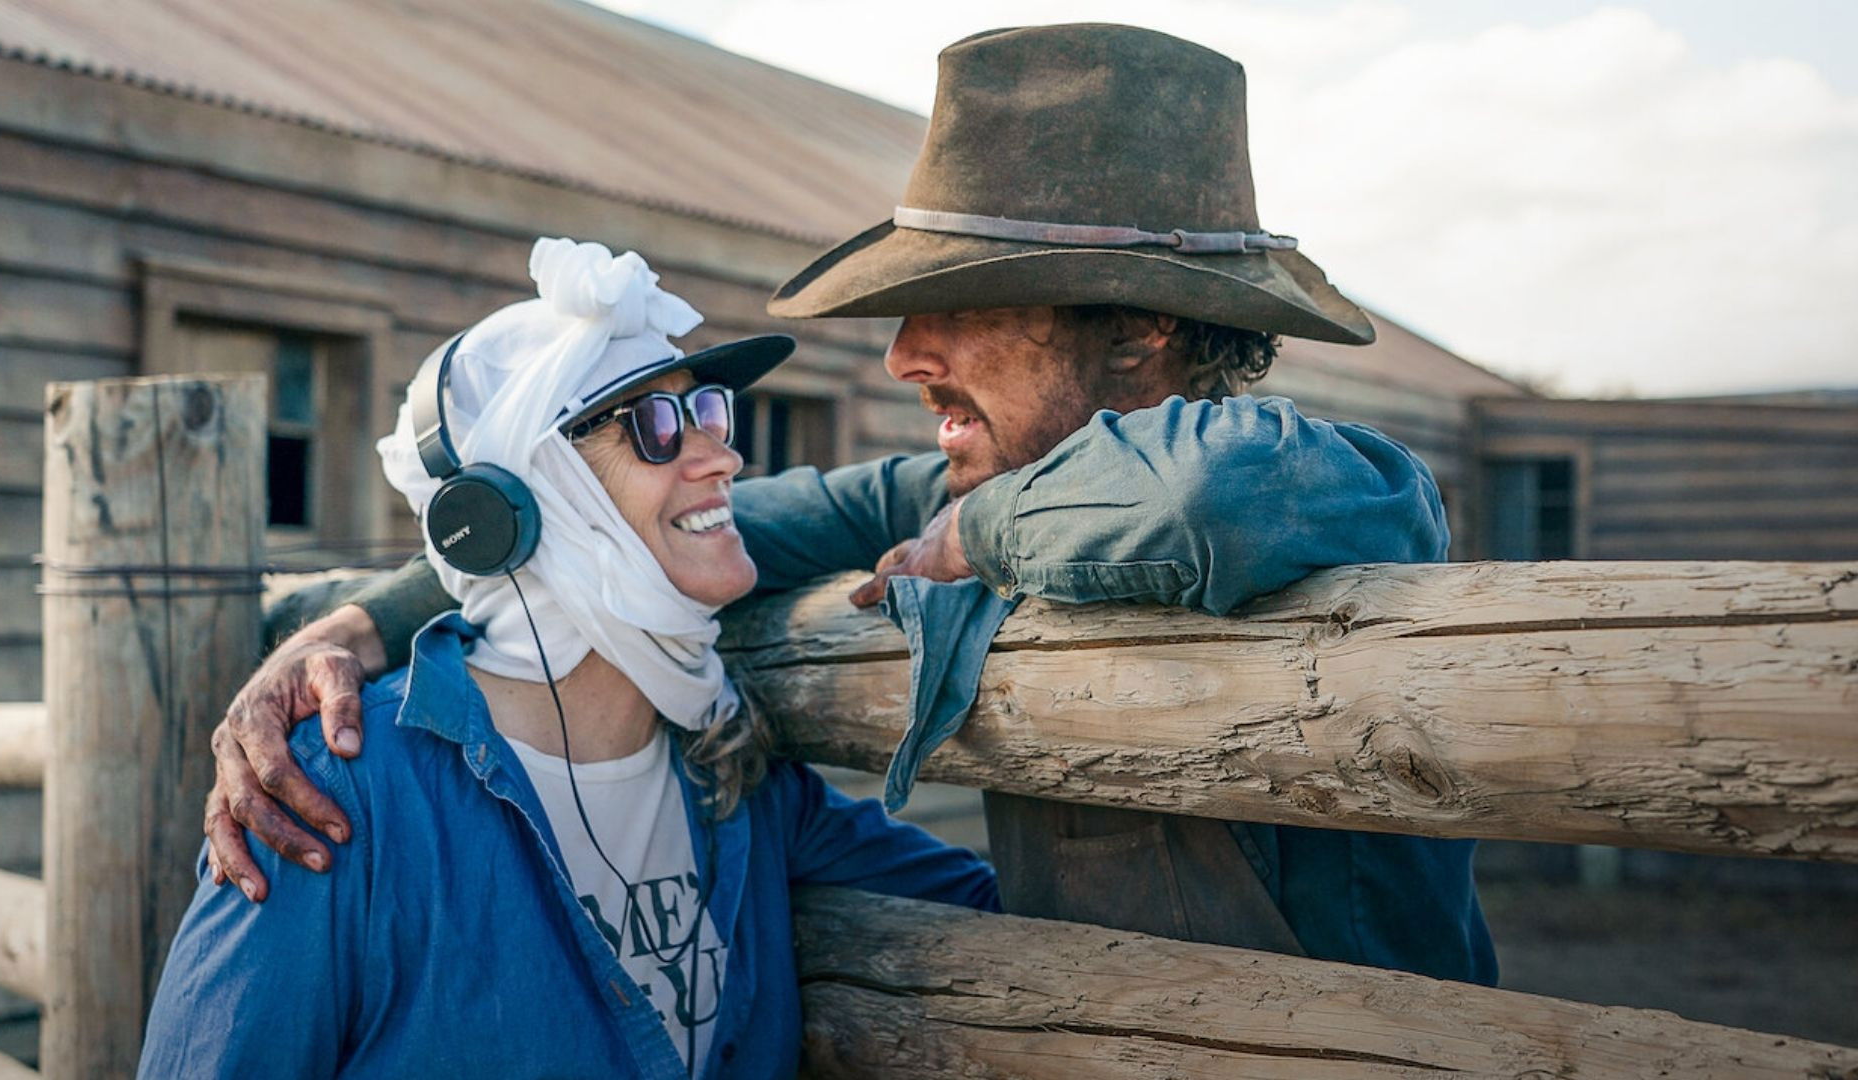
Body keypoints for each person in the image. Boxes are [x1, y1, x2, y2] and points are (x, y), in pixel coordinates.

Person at [205, 24, 1496, 984]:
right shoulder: (955, 481)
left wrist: (969, 540)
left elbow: (1199, 505)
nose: (903, 357)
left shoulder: (1316, 476)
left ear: (1142, 326)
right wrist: (356, 630)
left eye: (965, 306)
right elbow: (656, 529)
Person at [139, 239, 996, 1079]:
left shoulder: (740, 788)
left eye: (709, 414)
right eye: (659, 426)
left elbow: (1015, 925)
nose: (724, 455)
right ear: (518, 500)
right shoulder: (334, 794)